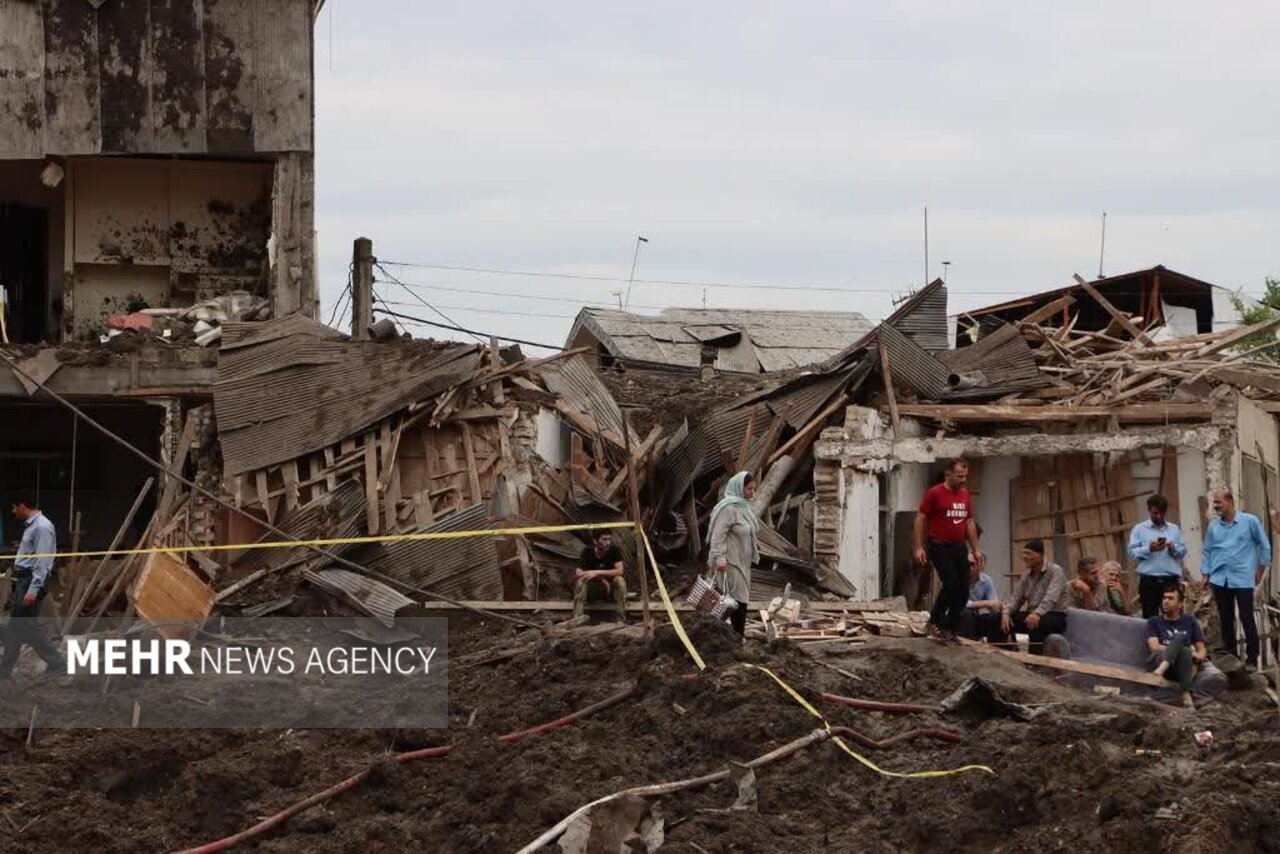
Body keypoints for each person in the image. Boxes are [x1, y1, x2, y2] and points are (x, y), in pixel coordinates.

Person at [1201, 489, 1270, 673]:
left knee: (1247, 617)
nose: (1215, 506)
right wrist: (1206, 574)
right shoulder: (1213, 526)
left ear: (1230, 502)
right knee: (1226, 619)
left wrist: (1260, 571)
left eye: (1218, 503)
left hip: (1243, 578)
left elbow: (1264, 545)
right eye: (1214, 503)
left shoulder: (1249, 521)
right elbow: (1207, 551)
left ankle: (1251, 659)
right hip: (1219, 578)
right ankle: (1231, 658)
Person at [914, 459, 983, 642]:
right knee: (951, 585)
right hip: (938, 545)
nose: (963, 480)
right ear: (948, 475)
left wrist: (976, 549)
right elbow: (921, 518)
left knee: (963, 590)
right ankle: (935, 621)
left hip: (959, 546)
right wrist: (919, 546)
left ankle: (950, 629)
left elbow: (969, 522)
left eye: (965, 476)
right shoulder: (934, 494)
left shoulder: (965, 494)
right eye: (960, 476)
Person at [1, 498, 66, 680]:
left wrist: (33, 589)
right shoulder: (32, 526)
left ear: (22, 505)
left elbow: (43, 562)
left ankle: (57, 664)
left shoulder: (42, 527)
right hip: (24, 580)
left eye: (14, 507)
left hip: (30, 581)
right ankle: (4, 673)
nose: (14, 512)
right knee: (15, 628)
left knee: (28, 626)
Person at [707, 471, 759, 636]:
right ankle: (733, 638)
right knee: (735, 602)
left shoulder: (743, 508)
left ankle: (731, 639)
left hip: (742, 563)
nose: (753, 493)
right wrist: (720, 558)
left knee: (734, 602)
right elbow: (717, 536)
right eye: (749, 489)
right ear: (739, 488)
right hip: (729, 563)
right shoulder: (728, 509)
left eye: (754, 489)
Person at [1000, 539, 1071, 656]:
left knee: (1035, 624)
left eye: (1028, 553)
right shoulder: (1027, 574)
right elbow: (1016, 598)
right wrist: (1006, 612)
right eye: (1023, 553)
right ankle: (1003, 655)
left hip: (1054, 616)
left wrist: (1037, 613)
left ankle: (1035, 664)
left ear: (1040, 555)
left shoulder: (1056, 571)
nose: (1024, 557)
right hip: (1032, 615)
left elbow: (1051, 598)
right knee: (999, 619)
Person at [1146, 582, 1207, 710]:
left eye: (1170, 598)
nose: (1166, 601)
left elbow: (1201, 650)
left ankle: (1182, 690)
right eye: (1164, 598)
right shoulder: (1153, 622)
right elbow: (1155, 647)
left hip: (1181, 668)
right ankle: (1186, 694)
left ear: (1180, 604)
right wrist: (1176, 647)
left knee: (1184, 649)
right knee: (1182, 640)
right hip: (1159, 661)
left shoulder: (1190, 621)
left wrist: (1198, 656)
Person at [1127, 495, 1188, 618]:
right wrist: (1149, 549)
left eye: (1162, 513)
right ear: (1149, 510)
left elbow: (1182, 552)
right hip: (1149, 582)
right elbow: (1132, 553)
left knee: (1173, 617)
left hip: (1170, 581)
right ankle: (1152, 638)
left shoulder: (1174, 529)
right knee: (1150, 618)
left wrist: (1172, 548)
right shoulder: (1139, 529)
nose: (1159, 516)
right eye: (1155, 513)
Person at [573, 529, 628, 620]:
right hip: (593, 590)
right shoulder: (587, 551)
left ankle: (620, 618)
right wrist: (601, 578)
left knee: (620, 580)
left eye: (609, 539)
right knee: (580, 582)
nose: (608, 543)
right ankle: (577, 619)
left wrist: (597, 572)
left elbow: (620, 571)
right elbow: (578, 572)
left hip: (610, 590)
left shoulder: (614, 550)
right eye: (604, 539)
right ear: (595, 541)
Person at [958, 555, 1003, 642]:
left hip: (973, 618)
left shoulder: (986, 581)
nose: (967, 567)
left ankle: (996, 649)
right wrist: (985, 603)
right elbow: (959, 603)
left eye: (971, 564)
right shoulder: (957, 579)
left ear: (980, 566)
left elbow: (993, 603)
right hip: (954, 617)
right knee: (966, 612)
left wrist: (1000, 609)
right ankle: (966, 645)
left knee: (997, 617)